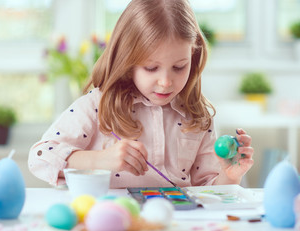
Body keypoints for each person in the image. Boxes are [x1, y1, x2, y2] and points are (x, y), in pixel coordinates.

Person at [28, 0, 254, 188]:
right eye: (151, 68)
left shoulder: (198, 116)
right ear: (127, 62)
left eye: (179, 67)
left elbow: (208, 191)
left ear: (193, 59)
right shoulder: (98, 105)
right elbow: (40, 158)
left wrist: (230, 176)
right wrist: (100, 160)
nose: (166, 82)